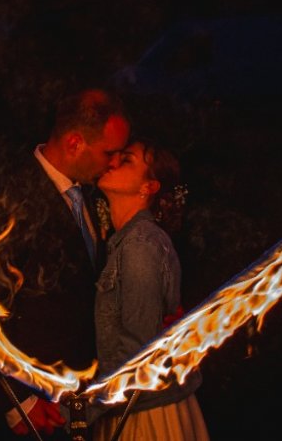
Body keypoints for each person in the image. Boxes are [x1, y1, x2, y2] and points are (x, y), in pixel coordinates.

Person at [0, 88, 131, 438]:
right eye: (109, 152)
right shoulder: (9, 193)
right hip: (34, 401)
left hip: (78, 399)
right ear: (74, 143)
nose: (115, 162)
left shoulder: (91, 196)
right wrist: (17, 399)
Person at [91, 140, 208, 441]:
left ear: (149, 187)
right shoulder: (124, 242)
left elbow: (137, 352)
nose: (112, 162)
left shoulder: (140, 244)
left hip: (145, 416)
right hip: (129, 407)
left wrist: (79, 412)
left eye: (126, 160)